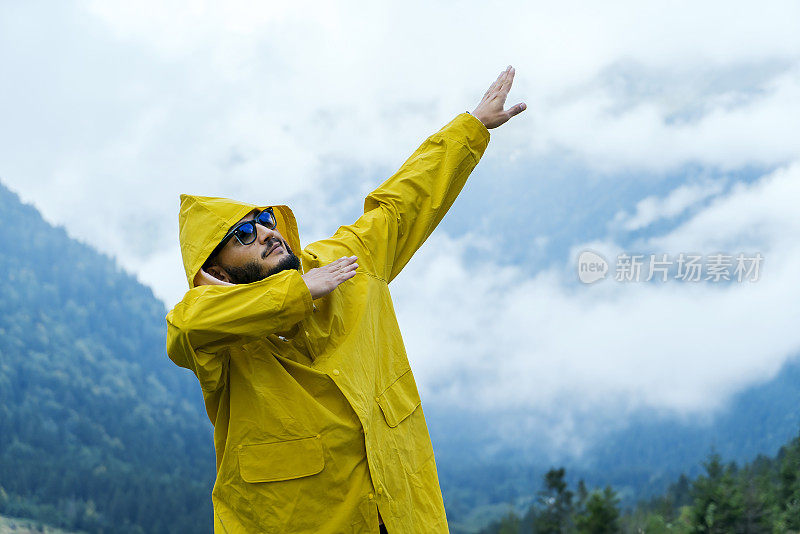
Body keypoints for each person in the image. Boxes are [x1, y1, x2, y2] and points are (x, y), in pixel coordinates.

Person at [166, 66, 525, 534]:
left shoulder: (346, 261)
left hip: (403, 518)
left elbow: (399, 205)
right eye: (244, 234)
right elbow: (183, 327)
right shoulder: (217, 338)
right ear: (214, 272)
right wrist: (294, 293)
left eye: (265, 220)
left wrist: (470, 129)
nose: (267, 234)